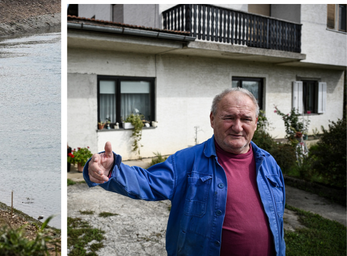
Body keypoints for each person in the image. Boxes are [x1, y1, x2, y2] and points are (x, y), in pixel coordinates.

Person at [84, 88, 285, 256]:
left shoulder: (269, 164)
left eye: (246, 119)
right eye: (229, 117)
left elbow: (277, 221)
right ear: (212, 119)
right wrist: (110, 170)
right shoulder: (187, 161)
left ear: (256, 122)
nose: (237, 126)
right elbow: (148, 182)